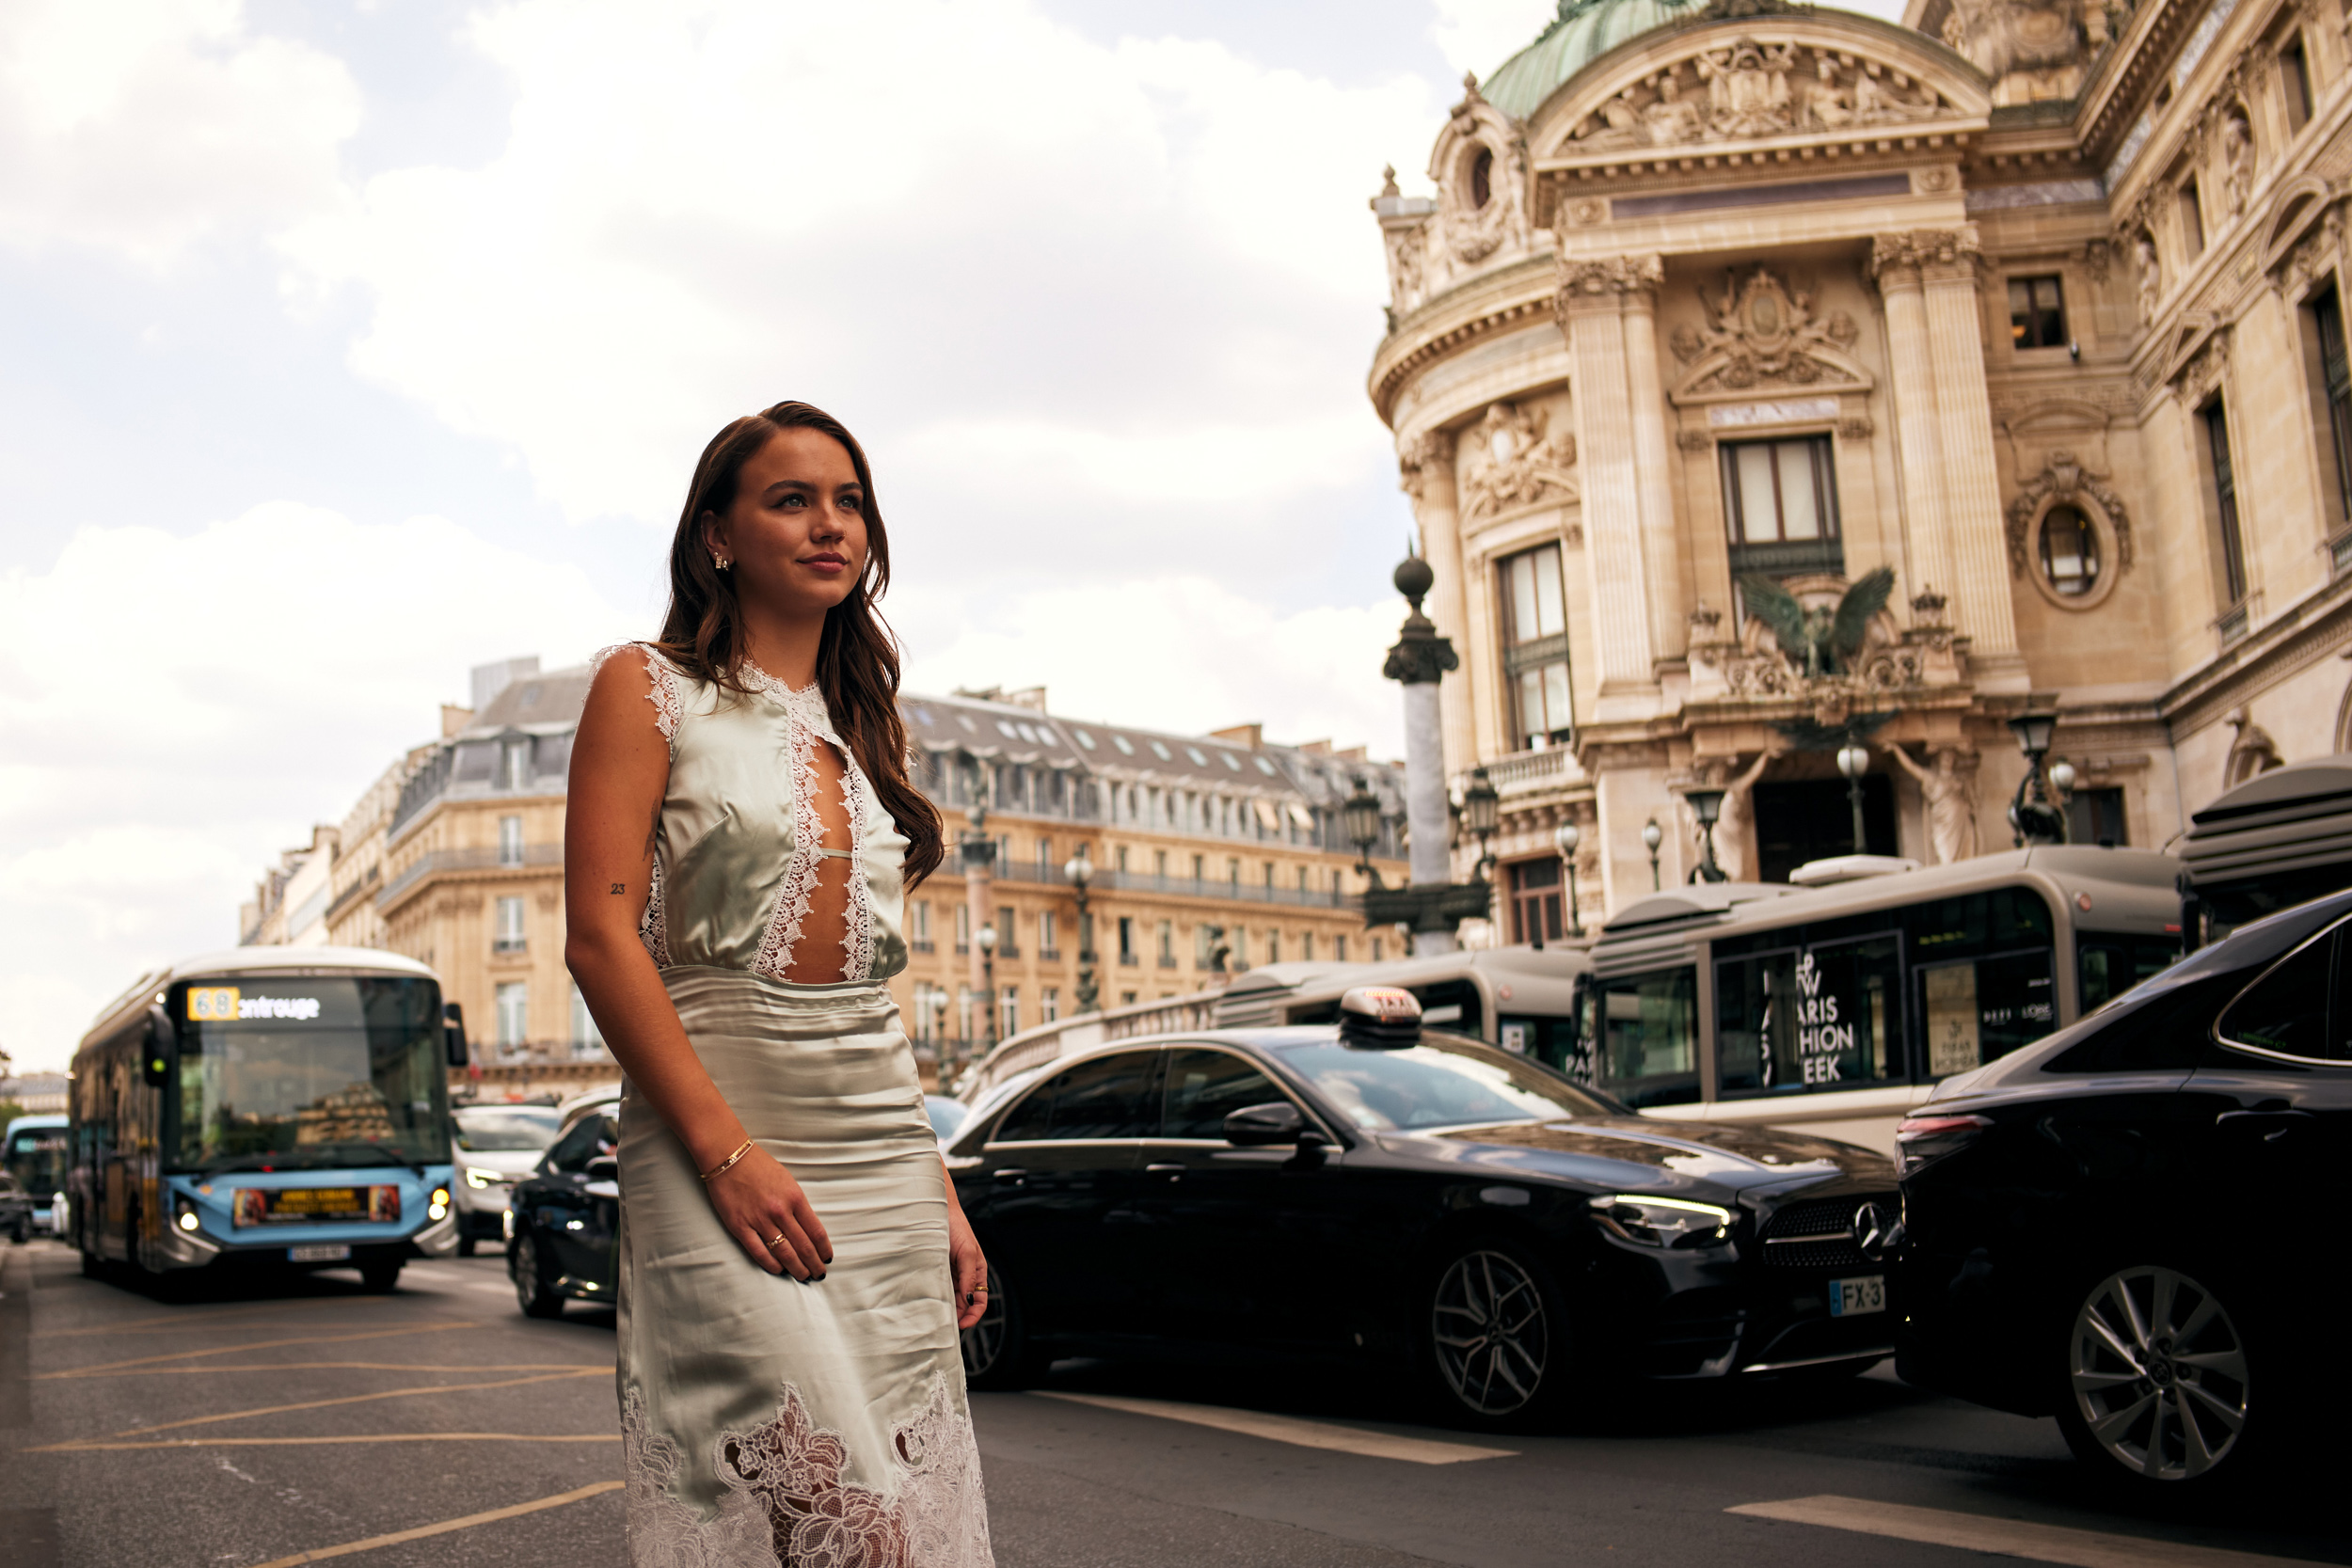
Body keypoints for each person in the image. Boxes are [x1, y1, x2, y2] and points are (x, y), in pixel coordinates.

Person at [566, 401, 993, 1566]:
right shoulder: (646, 689)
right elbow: (600, 938)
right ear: (717, 533)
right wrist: (728, 1152)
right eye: (791, 498)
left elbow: (874, 1002)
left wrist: (940, 1194)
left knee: (900, 1506)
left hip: (875, 1145)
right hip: (715, 1133)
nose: (830, 524)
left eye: (849, 500)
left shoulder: (863, 723)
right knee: (836, 1517)